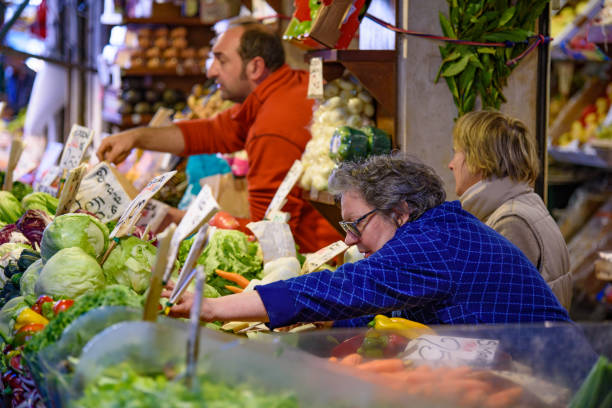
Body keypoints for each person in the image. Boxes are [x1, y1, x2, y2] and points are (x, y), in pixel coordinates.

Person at [163, 154, 571, 328]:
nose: (353, 242)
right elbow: (390, 306)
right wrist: (334, 320)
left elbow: (343, 287)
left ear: (401, 211)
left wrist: (211, 306)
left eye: (357, 224)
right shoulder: (436, 229)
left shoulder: (433, 243)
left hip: (554, 384)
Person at [97, 22, 342, 253]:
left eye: (221, 60)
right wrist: (136, 137)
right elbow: (210, 132)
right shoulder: (284, 89)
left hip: (315, 263)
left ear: (255, 67)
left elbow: (266, 233)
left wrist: (182, 219)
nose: (211, 71)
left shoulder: (272, 128)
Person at [448, 110, 572, 310]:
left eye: (456, 152)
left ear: (478, 159)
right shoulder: (519, 206)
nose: (451, 164)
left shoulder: (511, 221)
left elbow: (499, 311)